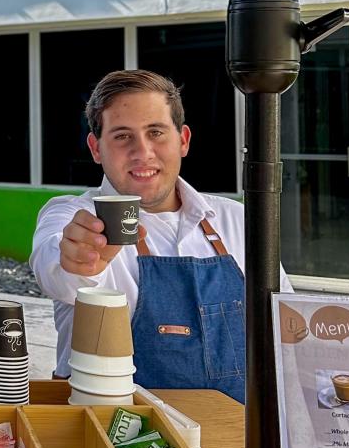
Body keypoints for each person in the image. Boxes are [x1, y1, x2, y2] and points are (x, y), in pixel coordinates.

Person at [30, 69, 291, 404]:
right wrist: (78, 260)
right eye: (123, 136)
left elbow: (285, 328)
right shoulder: (71, 216)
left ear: (183, 140)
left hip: (237, 441)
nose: (143, 152)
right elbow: (58, 274)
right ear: (96, 148)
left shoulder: (236, 219)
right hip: (114, 440)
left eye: (156, 132)